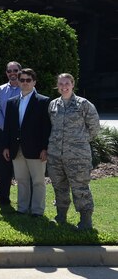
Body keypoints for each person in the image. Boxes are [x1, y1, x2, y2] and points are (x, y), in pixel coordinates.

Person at [47, 73, 101, 230]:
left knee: (80, 187)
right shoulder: (53, 105)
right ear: (57, 86)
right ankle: (61, 216)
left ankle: (85, 220)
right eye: (61, 84)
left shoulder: (83, 104)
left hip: (78, 156)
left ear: (72, 84)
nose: (64, 86)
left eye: (67, 83)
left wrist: (80, 142)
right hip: (56, 155)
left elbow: (94, 127)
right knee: (59, 186)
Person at [1, 69, 51, 217]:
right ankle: (22, 208)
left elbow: (46, 128)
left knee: (38, 181)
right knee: (21, 180)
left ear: (34, 82)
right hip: (17, 148)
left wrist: (45, 148)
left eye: (28, 80)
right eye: (21, 80)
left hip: (36, 149)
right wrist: (5, 146)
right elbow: (8, 127)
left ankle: (37, 210)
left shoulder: (43, 101)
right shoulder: (12, 102)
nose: (24, 83)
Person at [0, 61, 22, 207]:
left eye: (15, 70)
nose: (12, 73)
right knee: (4, 169)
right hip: (4, 133)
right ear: (6, 73)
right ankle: (3, 199)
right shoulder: (0, 90)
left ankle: (24, 201)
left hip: (22, 134)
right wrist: (6, 128)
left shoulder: (26, 88)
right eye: (9, 70)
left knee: (23, 168)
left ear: (20, 71)